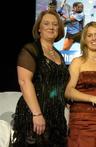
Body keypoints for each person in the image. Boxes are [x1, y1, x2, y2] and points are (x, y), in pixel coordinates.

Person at [12, 10, 69, 147]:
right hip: (35, 115)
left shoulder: (58, 55)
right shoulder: (31, 50)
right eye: (46, 23)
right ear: (39, 28)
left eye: (55, 24)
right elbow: (24, 82)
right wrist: (37, 114)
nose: (51, 27)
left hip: (56, 118)